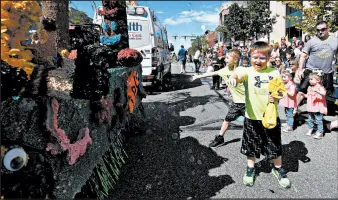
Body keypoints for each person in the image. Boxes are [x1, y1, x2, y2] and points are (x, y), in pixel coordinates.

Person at [227, 41, 291, 188]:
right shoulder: (248, 72)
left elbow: (282, 91)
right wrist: (233, 78)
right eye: (255, 57)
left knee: (274, 144)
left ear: (269, 58)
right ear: (250, 57)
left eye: (262, 58)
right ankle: (250, 169)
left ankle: (278, 168)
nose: (258, 61)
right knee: (251, 146)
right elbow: (238, 74)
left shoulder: (274, 72)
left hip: (270, 117)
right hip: (252, 117)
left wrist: (276, 96)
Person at [192, 49, 245, 147]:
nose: (225, 59)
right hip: (236, 103)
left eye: (228, 58)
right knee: (227, 120)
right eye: (226, 57)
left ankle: (263, 138)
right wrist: (198, 76)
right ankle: (220, 138)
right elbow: (211, 74)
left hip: (248, 103)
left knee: (255, 122)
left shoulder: (242, 70)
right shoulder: (224, 70)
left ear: (236, 60)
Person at [295, 21, 338, 114]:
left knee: (324, 93)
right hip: (311, 71)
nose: (320, 32)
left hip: (327, 73)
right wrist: (299, 70)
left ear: (328, 29)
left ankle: (318, 115)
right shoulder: (311, 41)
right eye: (318, 30)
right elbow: (303, 56)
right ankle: (293, 112)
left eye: (323, 29)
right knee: (302, 91)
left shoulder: (335, 41)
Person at [299, 73, 327, 139]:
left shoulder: (320, 87)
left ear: (318, 80)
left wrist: (317, 91)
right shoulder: (310, 87)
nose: (309, 80)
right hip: (311, 107)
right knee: (310, 119)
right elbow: (308, 96)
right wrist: (304, 95)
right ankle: (310, 129)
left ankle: (320, 132)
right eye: (309, 79)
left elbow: (324, 94)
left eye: (311, 79)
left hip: (317, 107)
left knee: (319, 120)